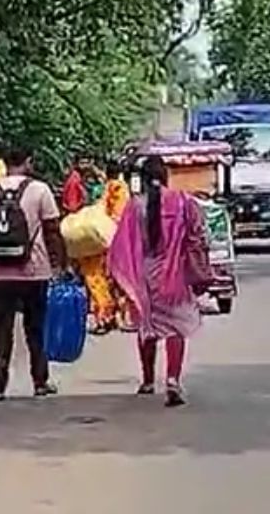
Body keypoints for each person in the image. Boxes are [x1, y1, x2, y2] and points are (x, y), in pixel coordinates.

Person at [108, 155, 211, 408]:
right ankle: (173, 379)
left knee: (148, 325)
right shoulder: (184, 202)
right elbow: (198, 235)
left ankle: (147, 380)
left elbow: (121, 245)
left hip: (143, 273)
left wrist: (119, 278)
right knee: (175, 327)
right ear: (166, 176)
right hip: (173, 273)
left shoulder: (134, 207)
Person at [0, 147, 66, 401]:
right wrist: (59, 264)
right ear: (28, 162)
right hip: (34, 270)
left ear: (4, 163)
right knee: (35, 328)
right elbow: (51, 229)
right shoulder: (40, 189)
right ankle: (40, 381)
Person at [85, 159, 129, 334]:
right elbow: (120, 215)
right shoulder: (119, 188)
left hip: (100, 237)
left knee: (98, 279)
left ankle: (105, 317)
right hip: (115, 238)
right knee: (117, 279)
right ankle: (116, 317)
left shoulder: (101, 189)